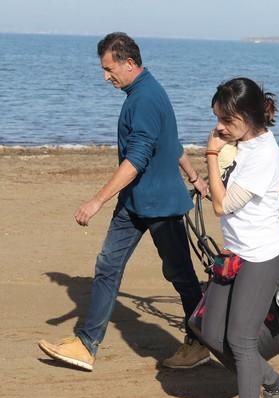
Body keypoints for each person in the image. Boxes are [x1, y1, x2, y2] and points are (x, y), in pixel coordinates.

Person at [38, 32, 210, 371]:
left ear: (129, 63)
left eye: (109, 69)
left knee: (181, 275)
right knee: (108, 267)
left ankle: (201, 341)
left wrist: (96, 201)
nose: (105, 77)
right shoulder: (143, 91)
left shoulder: (145, 98)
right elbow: (171, 143)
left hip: (160, 204)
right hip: (135, 203)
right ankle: (86, 345)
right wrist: (194, 176)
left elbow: (138, 158)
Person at [200, 77, 279, 398]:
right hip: (235, 251)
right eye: (217, 119)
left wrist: (211, 155)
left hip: (260, 255)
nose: (219, 127)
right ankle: (276, 384)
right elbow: (221, 190)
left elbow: (223, 205)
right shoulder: (240, 145)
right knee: (211, 332)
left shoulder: (263, 155)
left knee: (240, 340)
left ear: (249, 116)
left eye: (227, 119)